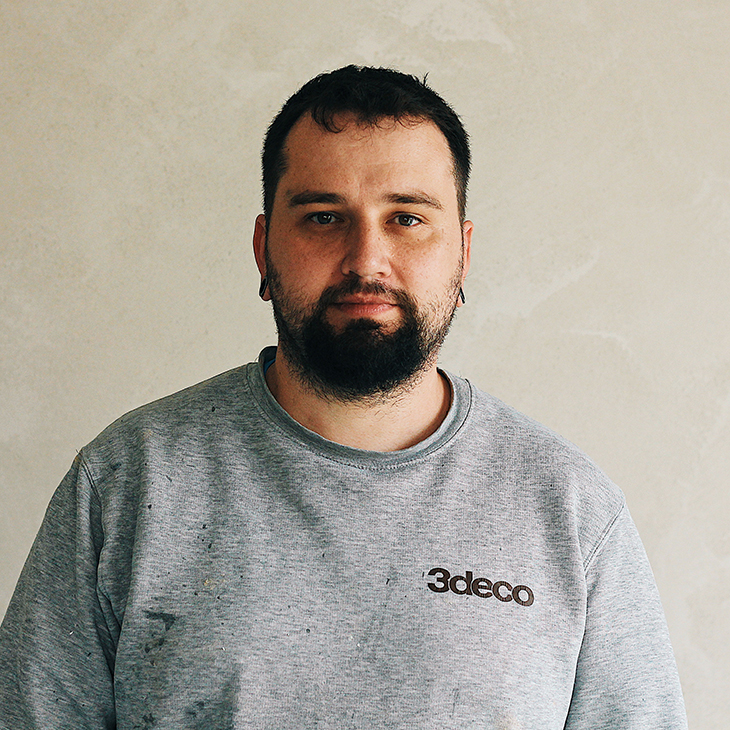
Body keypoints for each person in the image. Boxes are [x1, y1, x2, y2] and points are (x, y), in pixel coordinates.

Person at [0, 65, 687, 729]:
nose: (365, 260)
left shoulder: (572, 512)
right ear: (264, 249)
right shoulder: (126, 483)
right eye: (324, 217)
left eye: (407, 218)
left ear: (463, 255)